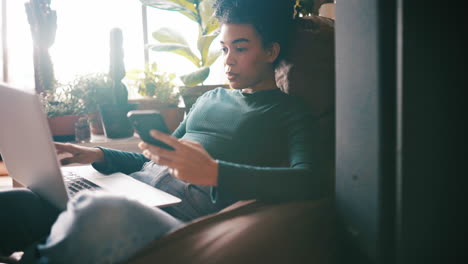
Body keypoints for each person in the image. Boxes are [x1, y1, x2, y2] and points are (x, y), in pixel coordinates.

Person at [0, 0, 327, 262]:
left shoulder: (290, 113)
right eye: (225, 49)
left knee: (96, 209)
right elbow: (157, 158)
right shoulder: (209, 98)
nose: (228, 61)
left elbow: (309, 181)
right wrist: (98, 154)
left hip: (180, 222)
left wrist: (214, 173)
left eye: (240, 49)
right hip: (138, 191)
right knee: (17, 203)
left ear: (271, 51)